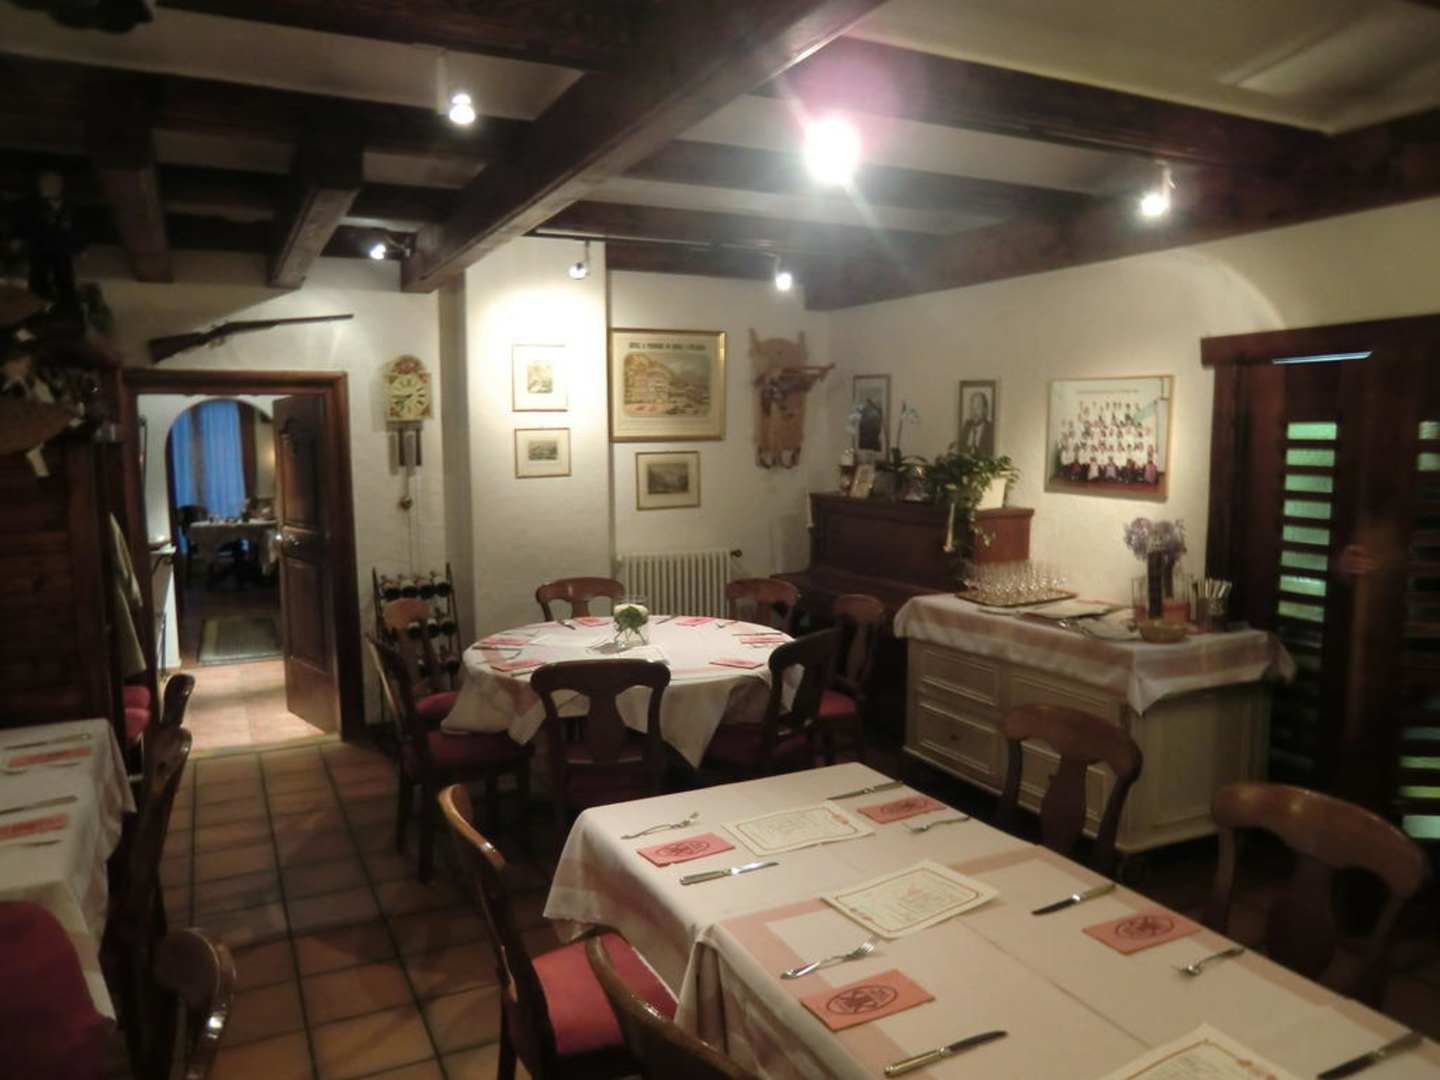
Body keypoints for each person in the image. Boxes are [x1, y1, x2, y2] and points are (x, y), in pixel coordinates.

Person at [959, 390, 994, 455]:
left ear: (985, 409)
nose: (974, 412)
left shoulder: (991, 429)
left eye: (978, 407)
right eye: (972, 408)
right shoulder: (966, 427)